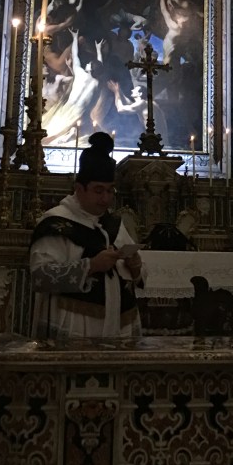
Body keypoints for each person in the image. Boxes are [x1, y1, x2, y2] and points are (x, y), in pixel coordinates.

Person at [29, 133, 143, 338]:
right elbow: (41, 276)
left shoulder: (113, 224)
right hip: (73, 323)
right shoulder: (56, 222)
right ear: (79, 188)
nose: (105, 199)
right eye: (98, 191)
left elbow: (136, 274)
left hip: (118, 323)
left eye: (110, 191)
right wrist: (91, 266)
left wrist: (135, 267)